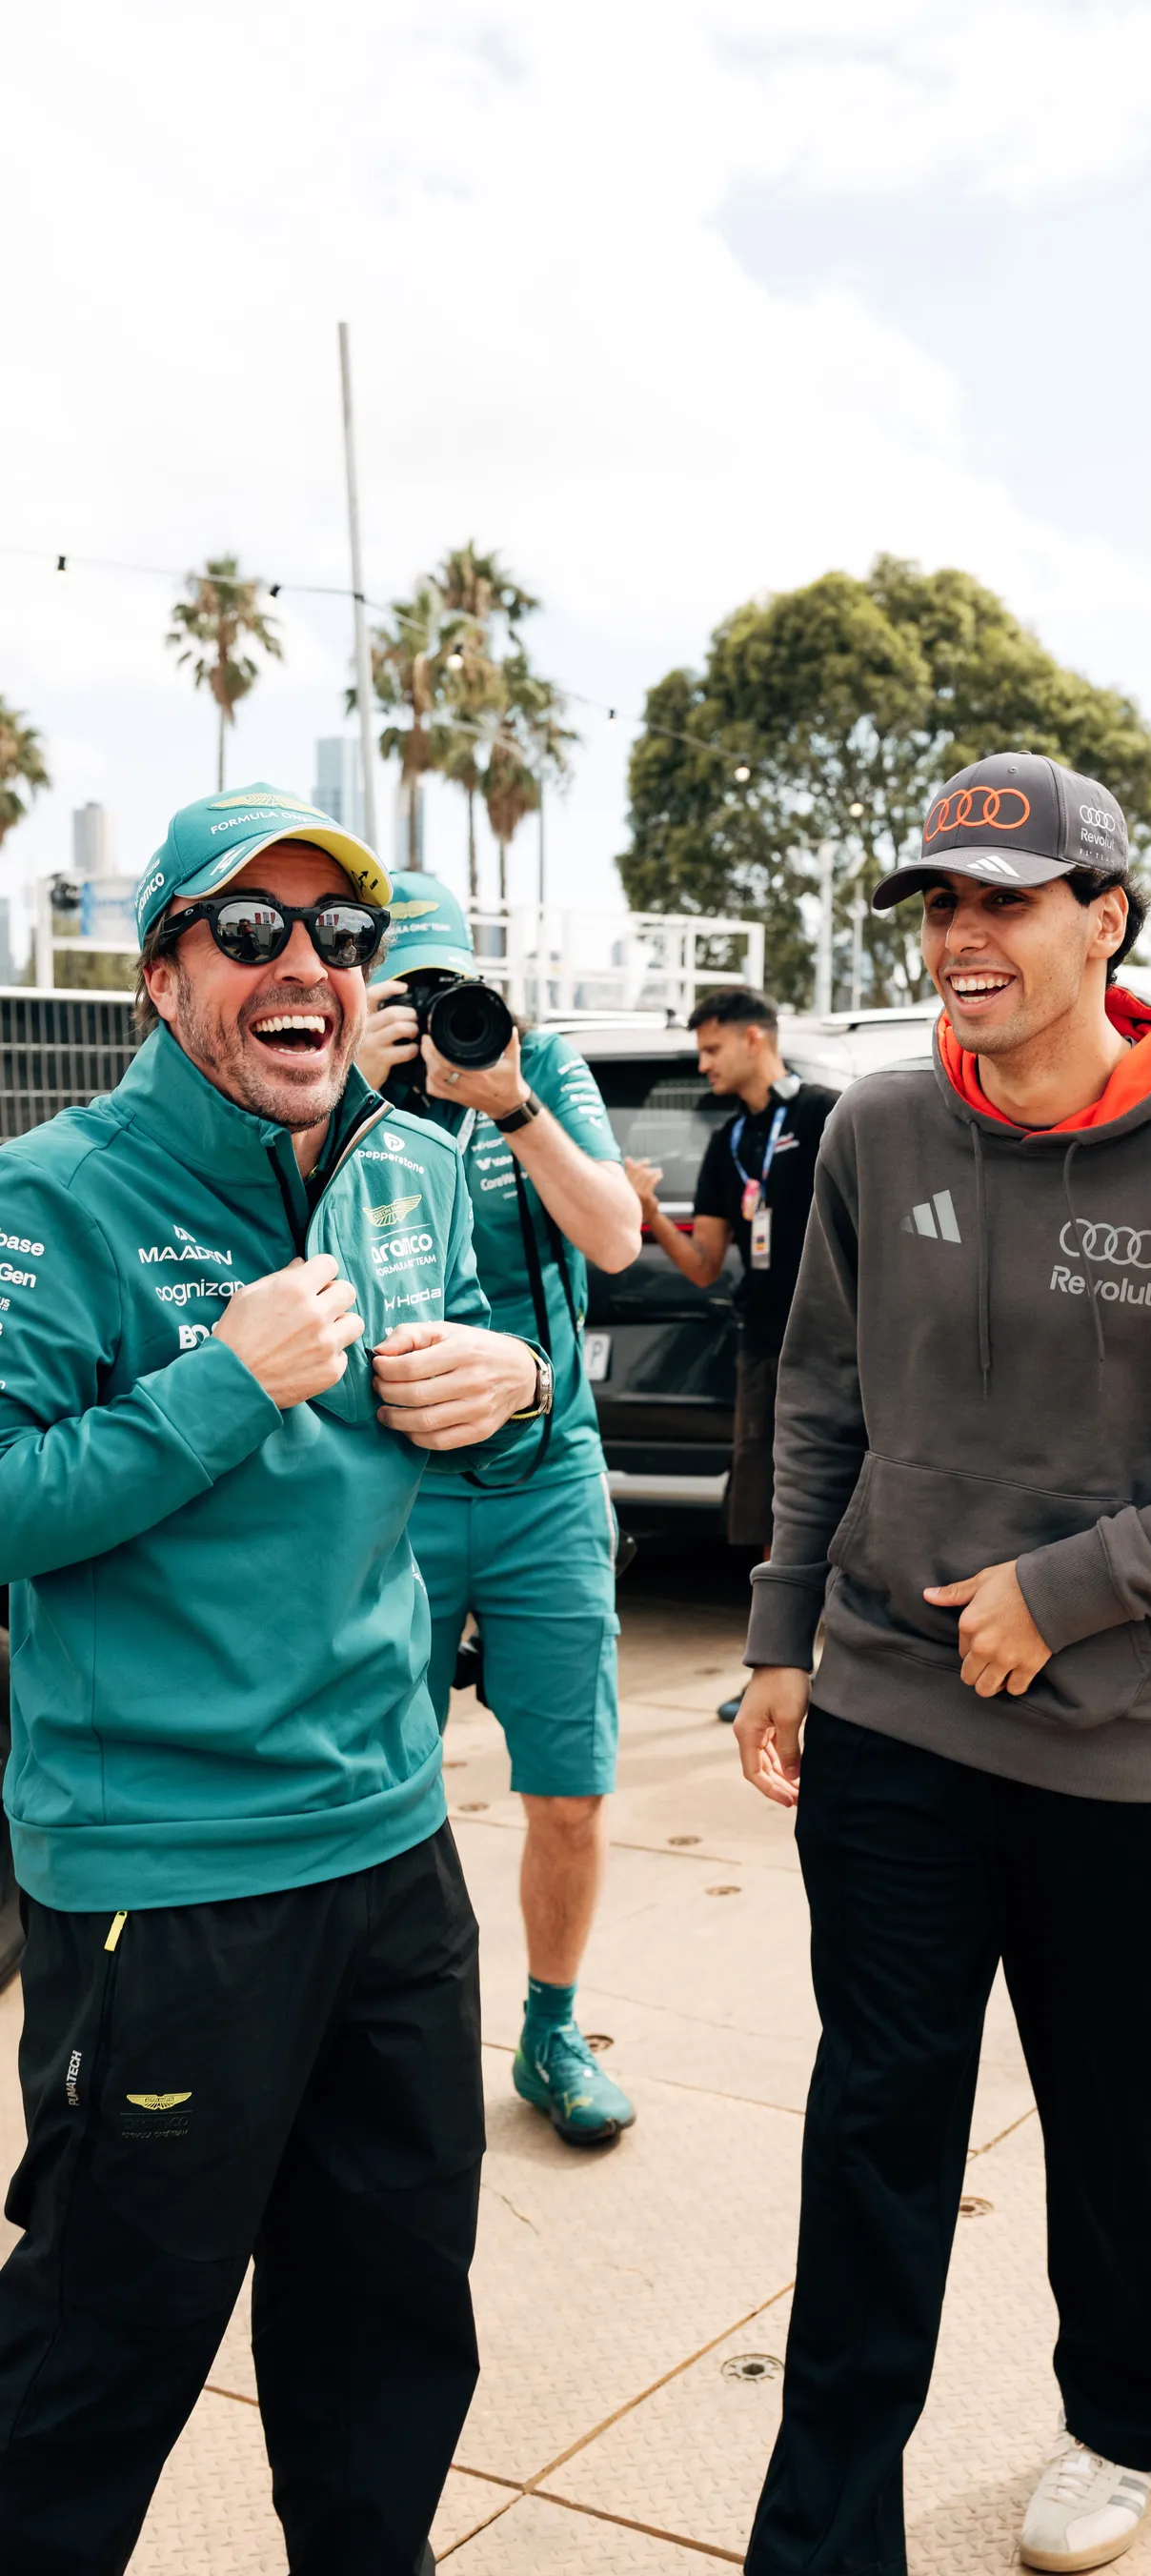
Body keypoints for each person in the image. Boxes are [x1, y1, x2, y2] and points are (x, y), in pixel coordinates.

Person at [712, 751, 1151, 2576]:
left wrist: (1068, 1590)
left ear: (1107, 919)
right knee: (876, 2134)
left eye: (1004, 901)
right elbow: (821, 1397)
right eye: (937, 904)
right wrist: (781, 1642)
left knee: (1112, 2133)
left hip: (1115, 1755)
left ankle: (1118, 2428)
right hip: (893, 1738)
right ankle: (815, 2569)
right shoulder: (878, 1126)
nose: (961, 938)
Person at [0, 787, 596, 2576]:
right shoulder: (57, 1199)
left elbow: (500, 1414)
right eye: (248, 934)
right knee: (101, 2355)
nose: (305, 972)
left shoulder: (419, 1169)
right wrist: (213, 1383)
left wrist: (514, 1397)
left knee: (387, 2301)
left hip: (388, 1838)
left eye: (339, 941)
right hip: (166, 1883)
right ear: (162, 969)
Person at [357, 874, 644, 2150]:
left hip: (546, 1480)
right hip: (394, 1492)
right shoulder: (335, 1095)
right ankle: (372, 2027)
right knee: (377, 1784)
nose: (429, 1019)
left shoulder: (538, 1073)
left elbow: (619, 1238)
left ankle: (551, 2026)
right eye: (399, 994)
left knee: (571, 1791)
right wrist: (354, 1096)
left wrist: (511, 1102)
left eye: (444, 990)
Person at [625, 990, 838, 1720]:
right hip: (764, 1343)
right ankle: (777, 1667)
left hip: (841, 1344)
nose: (704, 1064)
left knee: (843, 1497)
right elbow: (705, 1264)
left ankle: (845, 1668)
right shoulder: (729, 1143)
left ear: (755, 1039)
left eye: (713, 1050)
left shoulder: (824, 1113)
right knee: (771, 1502)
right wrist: (650, 1208)